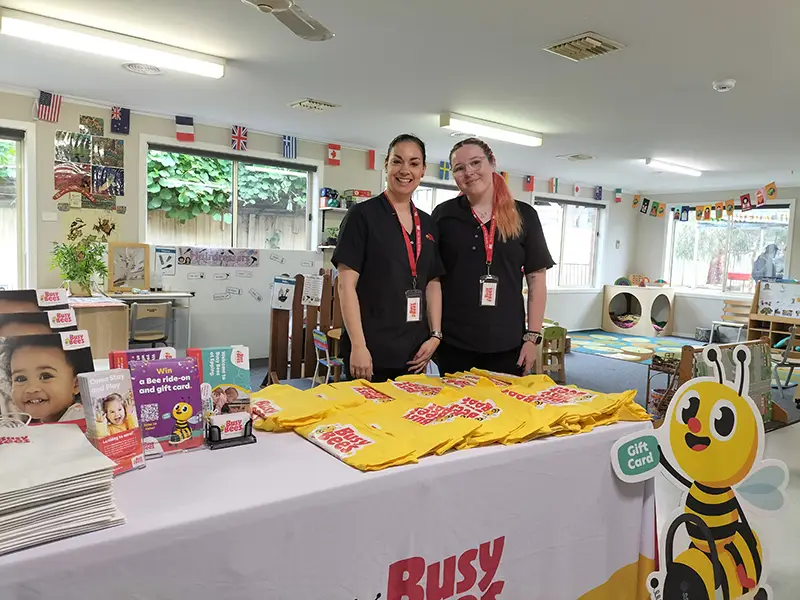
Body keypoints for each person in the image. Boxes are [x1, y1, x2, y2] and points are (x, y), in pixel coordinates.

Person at [432, 137, 554, 376]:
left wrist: (532, 337)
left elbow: (537, 280)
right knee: (457, 409)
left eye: (476, 163)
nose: (469, 172)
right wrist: (434, 333)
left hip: (507, 343)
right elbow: (433, 279)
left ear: (492, 163)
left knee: (506, 411)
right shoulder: (443, 215)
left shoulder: (524, 215)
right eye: (459, 168)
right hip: (454, 342)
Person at [333, 134, 444, 382]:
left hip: (415, 354)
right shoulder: (362, 216)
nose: (405, 170)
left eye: (414, 163)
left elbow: (432, 282)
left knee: (409, 418)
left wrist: (435, 335)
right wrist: (359, 347)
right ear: (386, 164)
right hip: (371, 352)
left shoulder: (427, 223)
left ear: (423, 170)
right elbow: (345, 285)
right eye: (397, 161)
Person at [3, 334, 86, 423]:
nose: (31, 389)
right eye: (20, 378)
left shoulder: (80, 419)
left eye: (46, 376)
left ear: (76, 384)